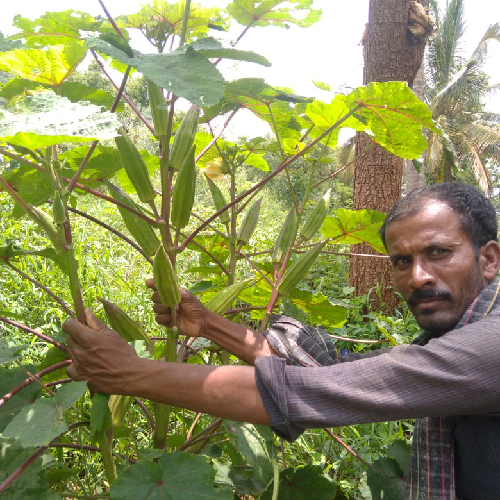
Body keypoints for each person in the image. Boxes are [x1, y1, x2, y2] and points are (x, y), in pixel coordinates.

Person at [64, 183, 500, 500]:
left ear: (489, 259)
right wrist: (210, 324)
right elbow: (335, 374)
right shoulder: (449, 342)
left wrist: (127, 372)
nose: (419, 276)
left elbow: (311, 392)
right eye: (402, 261)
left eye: (438, 252)